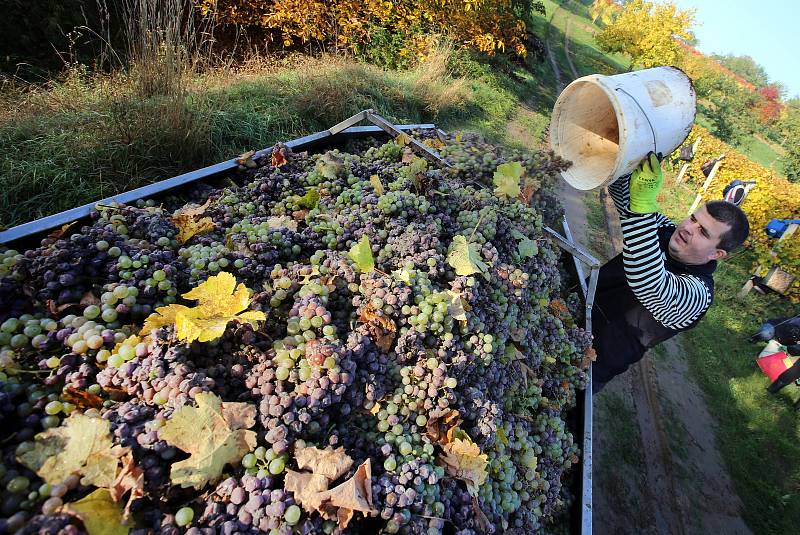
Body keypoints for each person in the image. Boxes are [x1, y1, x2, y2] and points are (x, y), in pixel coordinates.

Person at [591, 152, 750, 393]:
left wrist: (643, 207)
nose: (687, 228)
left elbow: (649, 282)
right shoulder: (666, 230)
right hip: (570, 307)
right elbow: (624, 195)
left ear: (716, 254)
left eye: (703, 233)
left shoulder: (698, 294)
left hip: (588, 363)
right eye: (693, 219)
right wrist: (630, 155)